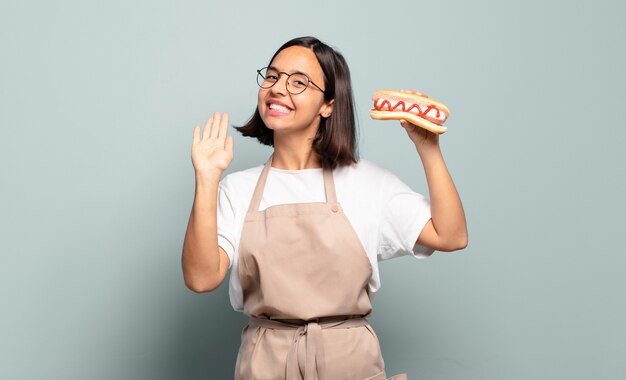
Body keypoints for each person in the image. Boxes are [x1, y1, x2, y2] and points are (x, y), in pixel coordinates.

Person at [182, 36, 467, 380]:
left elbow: (451, 236)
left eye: (298, 82)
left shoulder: (367, 182)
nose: (278, 88)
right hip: (266, 362)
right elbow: (200, 278)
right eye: (272, 76)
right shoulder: (237, 188)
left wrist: (428, 147)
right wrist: (207, 178)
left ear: (328, 105)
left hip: (349, 361)